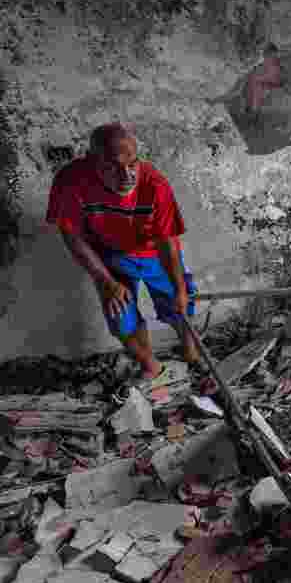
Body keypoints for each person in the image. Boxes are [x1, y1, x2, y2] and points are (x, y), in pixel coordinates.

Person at [46, 122, 200, 391]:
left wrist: (179, 289)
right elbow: (73, 238)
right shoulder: (70, 181)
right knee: (120, 317)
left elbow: (167, 243)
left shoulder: (155, 184)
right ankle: (152, 366)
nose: (127, 175)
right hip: (108, 254)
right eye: (114, 167)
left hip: (153, 251)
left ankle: (191, 352)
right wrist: (107, 282)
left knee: (179, 305)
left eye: (133, 164)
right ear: (93, 163)